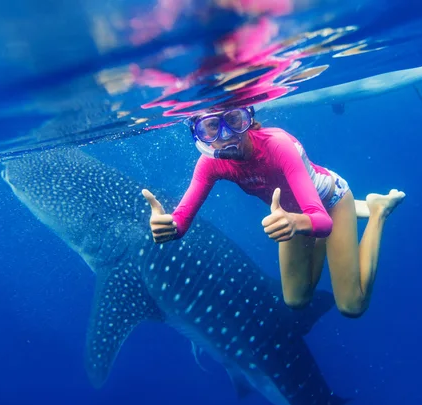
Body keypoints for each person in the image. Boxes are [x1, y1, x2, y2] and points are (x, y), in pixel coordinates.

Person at [142, 106, 405, 317]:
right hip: (293, 215)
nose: (226, 134)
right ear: (199, 134)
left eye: (234, 119)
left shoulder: (278, 145)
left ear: (247, 117)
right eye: (212, 126)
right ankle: (339, 226)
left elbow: (323, 222)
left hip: (330, 202)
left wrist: (295, 222)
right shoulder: (210, 165)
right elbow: (180, 223)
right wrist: (166, 228)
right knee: (296, 300)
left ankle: (377, 210)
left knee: (351, 306)